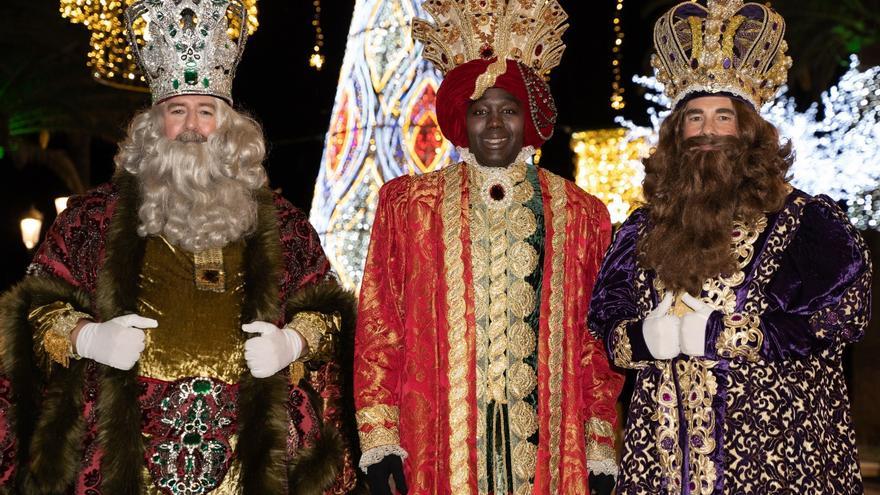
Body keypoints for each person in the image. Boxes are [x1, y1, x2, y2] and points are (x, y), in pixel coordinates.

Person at [0, 0, 357, 492]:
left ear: (230, 127)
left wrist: (292, 343)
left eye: (206, 111)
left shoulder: (284, 225)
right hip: (119, 461)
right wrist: (87, 336)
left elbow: (330, 312)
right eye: (177, 111)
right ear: (154, 125)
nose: (192, 127)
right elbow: (37, 307)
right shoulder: (91, 219)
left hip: (251, 464)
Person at [588, 1, 872, 493]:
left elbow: (844, 314)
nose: (707, 132)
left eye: (723, 117)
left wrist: (727, 334)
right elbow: (606, 316)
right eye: (694, 119)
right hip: (662, 454)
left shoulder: (806, 221)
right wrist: (638, 339)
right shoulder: (640, 231)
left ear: (748, 132)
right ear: (677, 134)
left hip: (774, 454)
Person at [353, 1, 624, 494]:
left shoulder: (581, 213)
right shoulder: (409, 205)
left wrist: (600, 443)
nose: (494, 124)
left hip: (549, 445)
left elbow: (593, 340)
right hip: (437, 439)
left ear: (529, 118)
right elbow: (380, 324)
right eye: (480, 111)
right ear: (461, 119)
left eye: (508, 110)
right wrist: (379, 438)